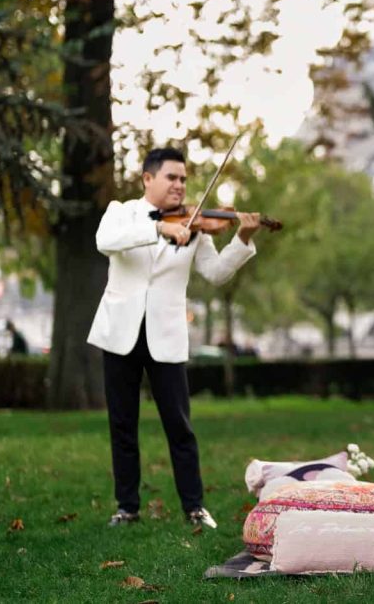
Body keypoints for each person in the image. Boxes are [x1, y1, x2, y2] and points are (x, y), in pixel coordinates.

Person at [87, 148, 261, 529]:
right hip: (121, 332)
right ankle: (127, 507)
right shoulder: (123, 212)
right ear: (148, 179)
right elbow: (106, 240)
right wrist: (158, 228)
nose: (180, 185)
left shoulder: (195, 225)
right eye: (171, 177)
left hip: (165, 333)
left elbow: (215, 273)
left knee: (179, 425)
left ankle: (194, 506)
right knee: (122, 423)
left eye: (183, 178)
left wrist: (243, 239)